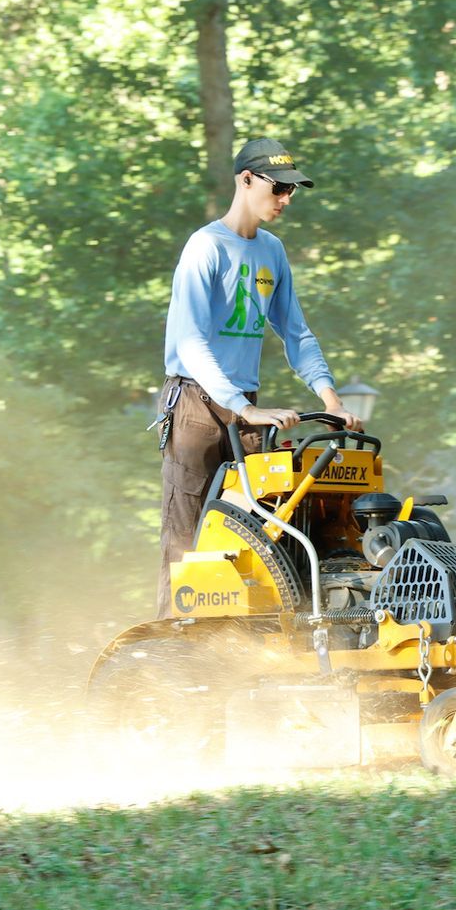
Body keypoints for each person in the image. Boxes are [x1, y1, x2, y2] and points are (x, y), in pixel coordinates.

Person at [154, 137, 362, 616]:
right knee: (188, 535)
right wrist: (243, 407)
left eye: (293, 191)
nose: (286, 199)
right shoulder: (205, 247)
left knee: (264, 531)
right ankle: (170, 645)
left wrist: (331, 400)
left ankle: (257, 644)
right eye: (279, 188)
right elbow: (190, 342)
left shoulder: (272, 251)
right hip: (195, 405)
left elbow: (297, 333)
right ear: (246, 180)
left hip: (245, 407)